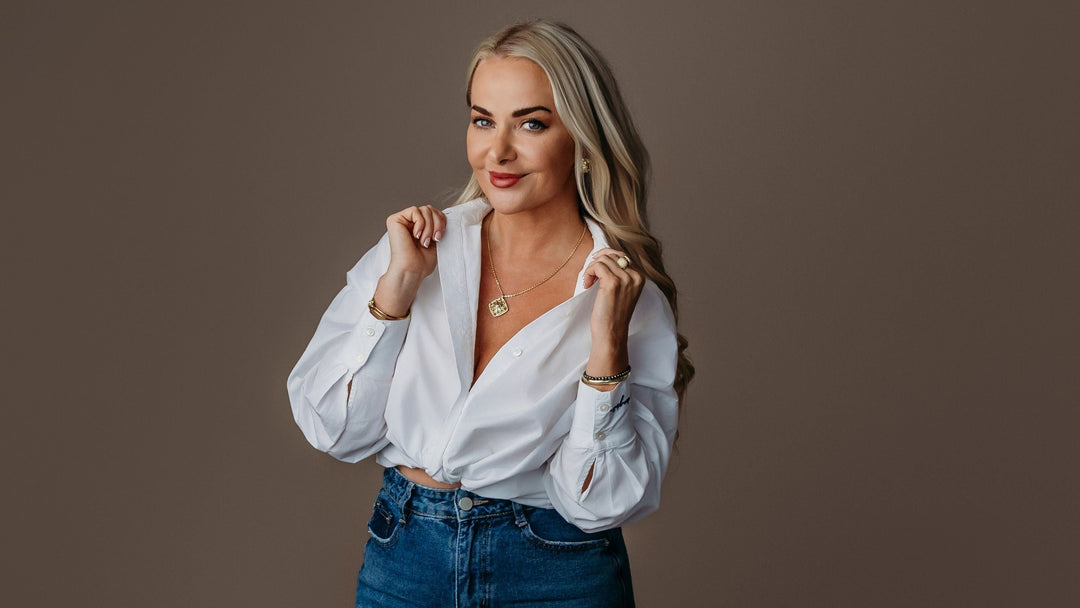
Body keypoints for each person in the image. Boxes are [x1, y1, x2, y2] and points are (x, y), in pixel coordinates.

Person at [287, 19, 693, 607]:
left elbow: (601, 504)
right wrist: (397, 291)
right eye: (483, 120)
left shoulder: (625, 296)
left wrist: (607, 349)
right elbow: (336, 430)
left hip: (557, 571)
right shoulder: (416, 250)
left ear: (582, 140)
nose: (497, 151)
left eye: (531, 123)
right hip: (406, 558)